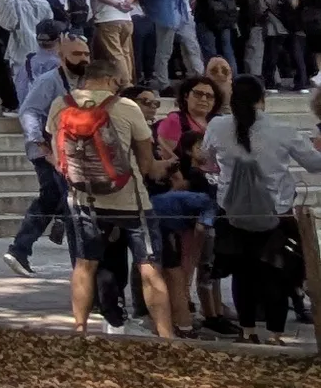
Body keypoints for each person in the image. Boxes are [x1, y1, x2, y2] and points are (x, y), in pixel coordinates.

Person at [51, 33, 172, 344]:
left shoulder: (59, 106)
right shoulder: (127, 107)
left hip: (83, 199)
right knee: (149, 268)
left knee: (84, 265)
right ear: (109, 79)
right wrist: (165, 167)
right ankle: (167, 336)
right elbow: (146, 165)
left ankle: (80, 331)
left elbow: (57, 155)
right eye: (118, 83)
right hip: (131, 201)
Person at [202, 73, 304, 342]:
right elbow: (314, 163)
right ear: (262, 98)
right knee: (275, 273)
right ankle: (276, 334)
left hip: (233, 213)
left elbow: (207, 159)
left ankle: (248, 331)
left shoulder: (217, 126)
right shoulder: (281, 129)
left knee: (242, 274)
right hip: (275, 212)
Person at [146, 73, 222, 334]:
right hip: (182, 198)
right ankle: (182, 309)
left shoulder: (216, 123)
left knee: (207, 257)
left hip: (210, 193)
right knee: (184, 258)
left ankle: (211, 309)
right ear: (186, 96)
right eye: (198, 93)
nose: (204, 99)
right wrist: (180, 180)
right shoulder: (174, 121)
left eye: (209, 95)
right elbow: (166, 153)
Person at [4, 25, 70, 273]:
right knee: (51, 194)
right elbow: (29, 109)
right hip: (47, 145)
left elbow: (21, 95)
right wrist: (40, 144)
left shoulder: (28, 63)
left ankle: (59, 220)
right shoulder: (51, 76)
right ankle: (20, 249)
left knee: (57, 194)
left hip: (57, 146)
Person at [81, 0, 139, 95]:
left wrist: (116, 4)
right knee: (125, 52)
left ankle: (126, 84)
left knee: (115, 54)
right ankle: (129, 79)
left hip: (108, 17)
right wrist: (127, 2)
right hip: (126, 17)